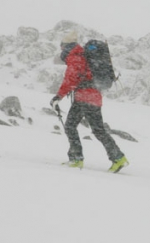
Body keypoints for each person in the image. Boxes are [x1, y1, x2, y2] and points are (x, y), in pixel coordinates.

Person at [50, 31, 129, 173]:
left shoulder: (76, 57)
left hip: (83, 98)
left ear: (65, 46)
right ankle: (118, 158)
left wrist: (58, 97)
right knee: (99, 130)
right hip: (95, 97)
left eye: (62, 47)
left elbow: (71, 79)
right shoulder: (84, 55)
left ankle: (76, 158)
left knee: (70, 126)